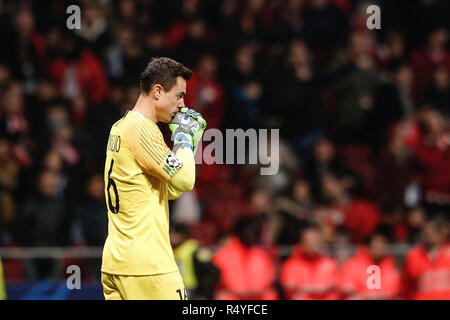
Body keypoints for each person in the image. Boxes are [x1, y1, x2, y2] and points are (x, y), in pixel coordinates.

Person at [101, 57, 207, 300]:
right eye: (179, 95)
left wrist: (188, 145)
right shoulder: (143, 129)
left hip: (117, 262)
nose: (182, 105)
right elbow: (185, 181)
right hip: (148, 266)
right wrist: (183, 140)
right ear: (158, 91)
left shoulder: (120, 127)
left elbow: (169, 189)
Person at [337, 232, 401, 300]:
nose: (380, 249)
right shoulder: (354, 265)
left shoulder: (391, 266)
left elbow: (395, 293)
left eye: (383, 246)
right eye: (376, 246)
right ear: (368, 247)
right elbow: (347, 292)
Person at [280, 226, 338, 300]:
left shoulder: (329, 263)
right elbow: (290, 288)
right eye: (309, 240)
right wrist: (317, 289)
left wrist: (305, 289)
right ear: (302, 243)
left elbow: (333, 287)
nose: (312, 243)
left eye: (316, 240)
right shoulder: (292, 264)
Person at [402, 217, 450, 299]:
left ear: (440, 234)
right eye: (425, 232)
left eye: (432, 231)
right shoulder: (414, 256)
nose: (427, 234)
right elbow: (406, 286)